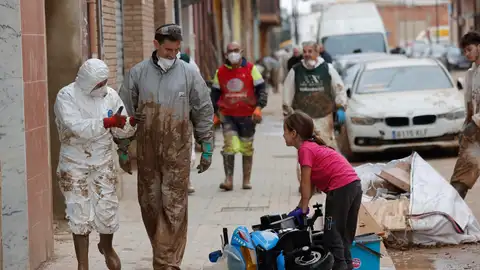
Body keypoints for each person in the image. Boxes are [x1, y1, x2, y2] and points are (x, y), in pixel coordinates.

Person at [119, 23, 214, 269]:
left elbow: (203, 110)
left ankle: (166, 262)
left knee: (174, 207)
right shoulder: (137, 74)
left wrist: (207, 146)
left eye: (177, 50)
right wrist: (122, 147)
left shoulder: (189, 73)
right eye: (169, 50)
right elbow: (124, 112)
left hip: (178, 151)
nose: (173, 55)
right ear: (156, 45)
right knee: (150, 206)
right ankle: (163, 250)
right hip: (147, 153)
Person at [54, 58, 141, 270]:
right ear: (85, 82)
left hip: (102, 160)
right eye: (98, 84)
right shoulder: (66, 96)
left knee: (107, 209)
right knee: (79, 212)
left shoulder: (109, 95)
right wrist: (106, 122)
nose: (102, 87)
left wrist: (128, 125)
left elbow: (119, 126)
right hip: (74, 162)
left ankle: (107, 246)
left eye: (104, 82)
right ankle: (82, 264)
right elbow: (76, 126)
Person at [284, 111, 362, 270]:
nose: (283, 135)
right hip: (354, 185)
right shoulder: (313, 147)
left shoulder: (305, 150)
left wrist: (304, 207)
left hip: (341, 187)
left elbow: (305, 182)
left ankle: (339, 267)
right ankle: (347, 266)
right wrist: (301, 206)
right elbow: (311, 185)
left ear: (294, 133)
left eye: (284, 132)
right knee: (344, 236)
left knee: (332, 234)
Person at [283, 41, 347, 190]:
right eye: (304, 52)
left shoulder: (327, 69)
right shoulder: (296, 70)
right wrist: (288, 114)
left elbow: (339, 88)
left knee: (325, 150)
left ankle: (326, 180)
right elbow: (288, 92)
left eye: (310, 51)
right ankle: (306, 184)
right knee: (305, 152)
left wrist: (341, 107)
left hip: (324, 116)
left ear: (317, 53)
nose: (307, 54)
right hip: (302, 119)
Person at [211, 41, 268, 191]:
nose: (233, 53)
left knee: (246, 147)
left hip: (248, 116)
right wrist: (215, 112)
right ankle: (228, 179)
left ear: (241, 51)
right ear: (225, 54)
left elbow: (261, 89)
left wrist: (259, 107)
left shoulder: (251, 69)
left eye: (236, 50)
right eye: (230, 51)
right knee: (230, 146)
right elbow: (215, 94)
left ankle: (246, 180)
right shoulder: (220, 72)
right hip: (228, 115)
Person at [450, 31, 480, 199]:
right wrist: (466, 128)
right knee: (461, 177)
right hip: (476, 134)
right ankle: (451, 215)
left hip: (476, 126)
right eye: (465, 51)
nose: (467, 54)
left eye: (470, 49)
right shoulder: (470, 74)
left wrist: (474, 123)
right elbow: (469, 105)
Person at [177, 49, 202, 194]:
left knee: (187, 150)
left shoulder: (186, 60)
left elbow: (197, 84)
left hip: (186, 114)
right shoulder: (157, 64)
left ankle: (186, 180)